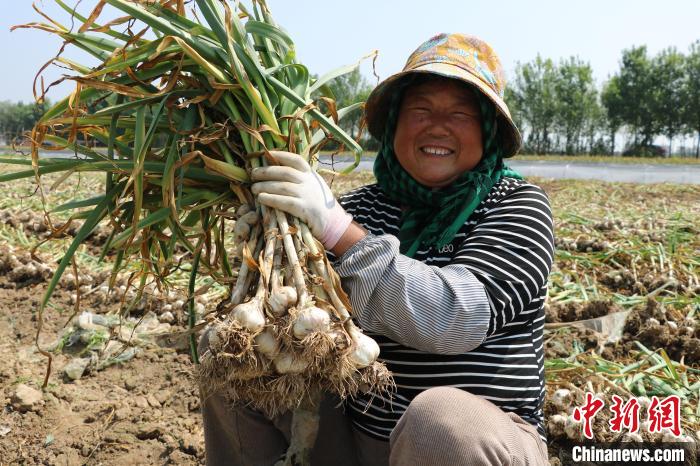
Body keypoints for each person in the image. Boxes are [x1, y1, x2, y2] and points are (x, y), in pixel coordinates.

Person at [203, 33, 553, 465]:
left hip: (476, 443)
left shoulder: (517, 206)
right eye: (420, 109)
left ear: (488, 131)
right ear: (394, 125)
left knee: (437, 421)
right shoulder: (363, 207)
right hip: (361, 442)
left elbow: (455, 317)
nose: (438, 126)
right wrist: (268, 235)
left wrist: (337, 229)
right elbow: (298, 315)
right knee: (234, 356)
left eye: (461, 113)